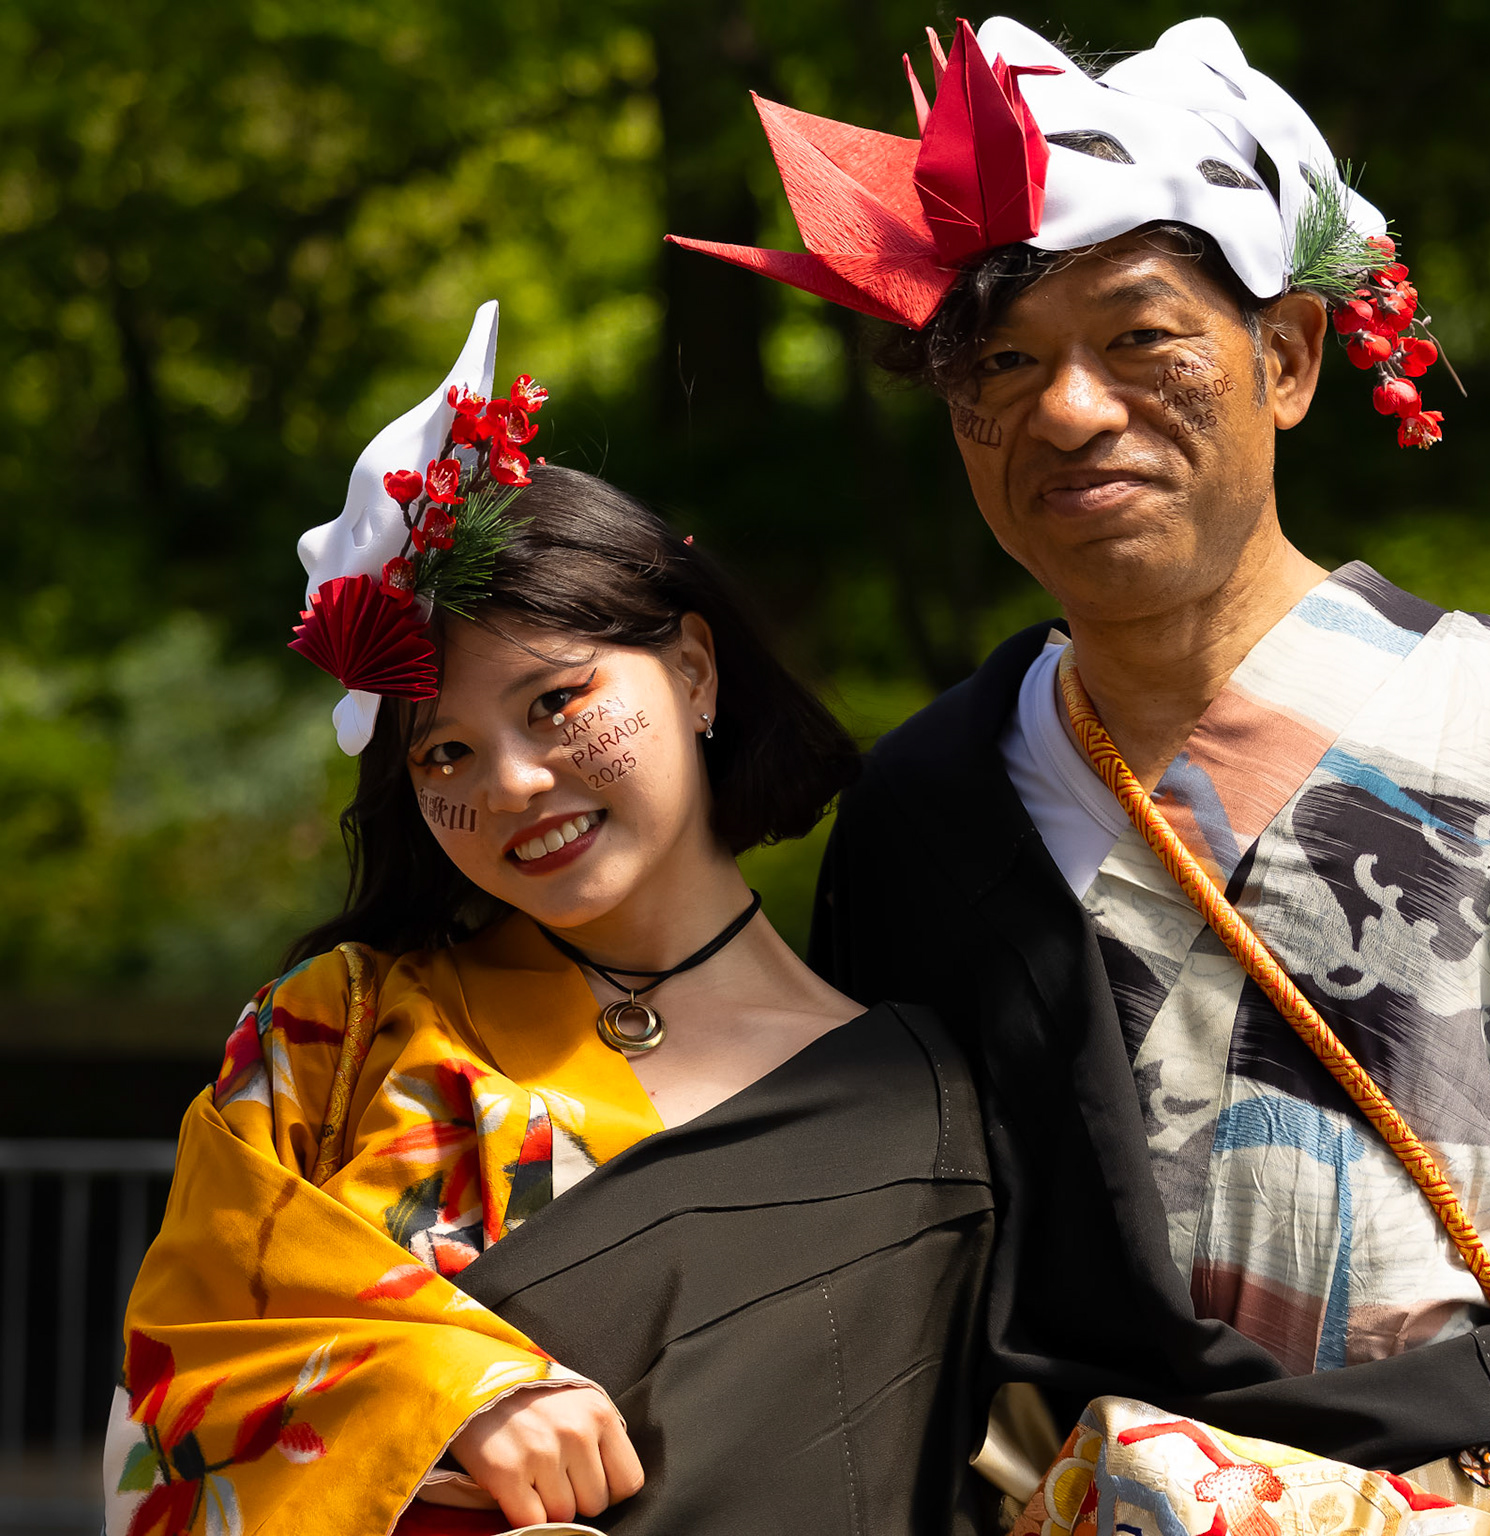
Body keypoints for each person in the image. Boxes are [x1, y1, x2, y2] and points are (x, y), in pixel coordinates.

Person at [671, 17, 1490, 1536]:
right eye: (1001, 363)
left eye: (1140, 337)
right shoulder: (929, 808)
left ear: (1287, 357)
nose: (1068, 409)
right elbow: (865, 1284)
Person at [104, 303, 995, 1536]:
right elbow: (185, 1358)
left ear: (694, 668)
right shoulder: (342, 1030)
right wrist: (447, 1388)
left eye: (558, 700)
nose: (509, 783)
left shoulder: (927, 1100)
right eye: (446, 753)